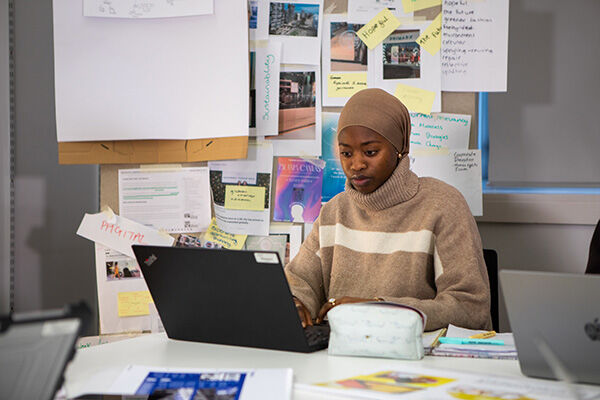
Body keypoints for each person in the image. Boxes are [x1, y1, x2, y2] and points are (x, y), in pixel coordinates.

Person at [285, 88, 491, 331]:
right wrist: (294, 303)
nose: (356, 164)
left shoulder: (443, 205)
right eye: (346, 153)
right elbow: (300, 280)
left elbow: (469, 307)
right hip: (340, 356)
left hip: (413, 360)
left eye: (370, 152)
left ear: (400, 149)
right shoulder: (334, 211)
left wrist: (380, 309)